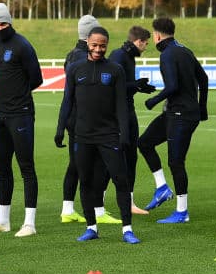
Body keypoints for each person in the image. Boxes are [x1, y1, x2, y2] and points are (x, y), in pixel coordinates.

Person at [55, 26, 140, 244]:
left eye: (103, 45)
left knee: (120, 180)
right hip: (82, 136)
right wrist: (60, 129)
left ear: (107, 45)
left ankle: (127, 229)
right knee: (86, 181)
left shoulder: (115, 70)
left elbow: (122, 105)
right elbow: (67, 102)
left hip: (109, 135)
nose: (99, 49)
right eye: (95, 45)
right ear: (87, 44)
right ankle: (91, 227)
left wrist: (124, 134)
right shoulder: (75, 69)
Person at [0, 3, 43, 236]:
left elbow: (36, 78)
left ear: (10, 22)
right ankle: (3, 220)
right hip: (0, 114)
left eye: (3, 23)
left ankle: (29, 223)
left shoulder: (22, 45)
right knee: (2, 166)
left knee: (26, 166)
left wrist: (19, 96)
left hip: (21, 113)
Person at [137, 17, 208, 223]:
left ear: (157, 35)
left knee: (176, 161)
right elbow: (203, 79)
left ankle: (182, 211)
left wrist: (153, 100)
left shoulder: (168, 54)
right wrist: (202, 108)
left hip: (181, 115)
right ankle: (162, 188)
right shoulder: (184, 50)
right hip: (177, 113)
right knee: (144, 142)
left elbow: (172, 86)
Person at [59, 15, 120, 225]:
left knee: (76, 165)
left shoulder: (70, 54)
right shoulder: (82, 57)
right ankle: (97, 210)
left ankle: (68, 208)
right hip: (84, 121)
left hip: (75, 120)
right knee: (95, 166)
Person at [108, 25, 156, 214]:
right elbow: (111, 84)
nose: (145, 48)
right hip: (119, 114)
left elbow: (124, 84)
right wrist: (134, 85)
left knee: (131, 157)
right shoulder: (119, 56)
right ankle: (100, 204)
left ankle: (129, 202)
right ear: (139, 41)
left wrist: (137, 87)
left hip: (128, 110)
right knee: (113, 157)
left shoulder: (127, 56)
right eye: (145, 44)